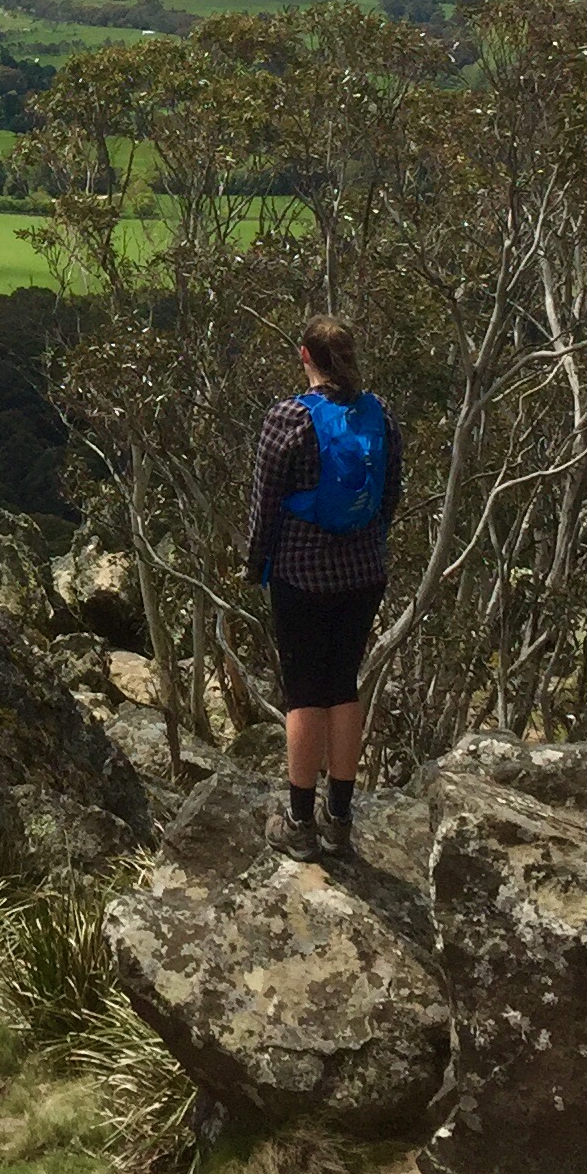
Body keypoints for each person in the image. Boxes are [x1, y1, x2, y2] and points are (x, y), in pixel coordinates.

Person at [244, 314, 395, 860]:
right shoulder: (378, 414)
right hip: (363, 574)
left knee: (304, 692)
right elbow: (389, 496)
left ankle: (299, 825)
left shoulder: (287, 418)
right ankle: (341, 820)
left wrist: (257, 563)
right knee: (343, 686)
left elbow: (264, 504)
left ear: (304, 356)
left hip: (301, 574)